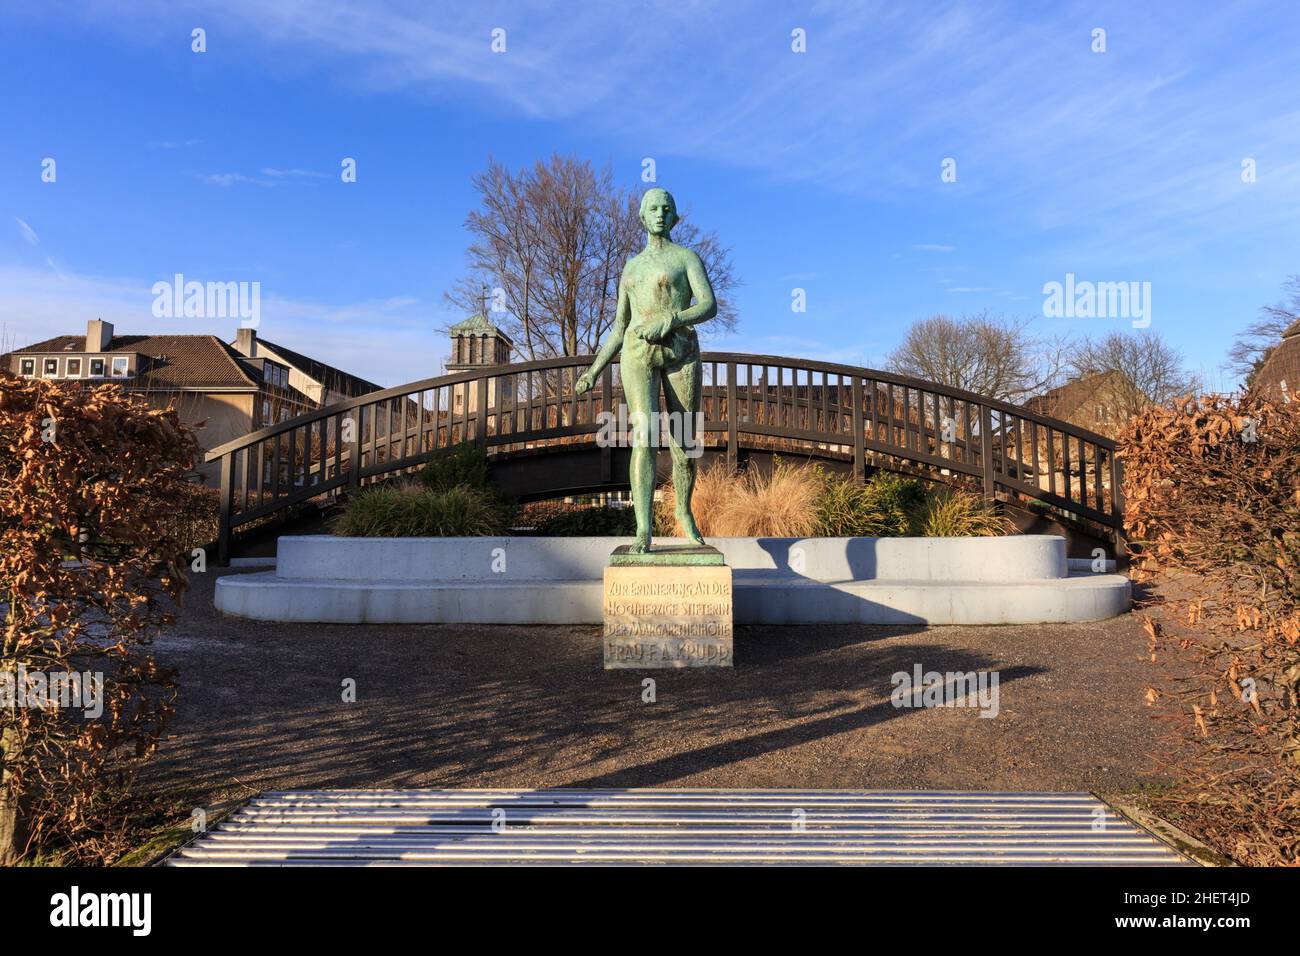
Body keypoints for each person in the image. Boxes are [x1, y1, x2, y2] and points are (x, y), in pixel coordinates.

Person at [576, 188, 717, 552]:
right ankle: (643, 530)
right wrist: (594, 369)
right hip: (638, 354)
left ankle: (683, 512)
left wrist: (672, 319)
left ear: (674, 218)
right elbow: (619, 326)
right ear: (642, 216)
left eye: (666, 209)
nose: (659, 213)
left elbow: (709, 305)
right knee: (644, 434)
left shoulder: (686, 258)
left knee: (684, 439)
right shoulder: (632, 267)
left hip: (680, 352)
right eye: (652, 208)